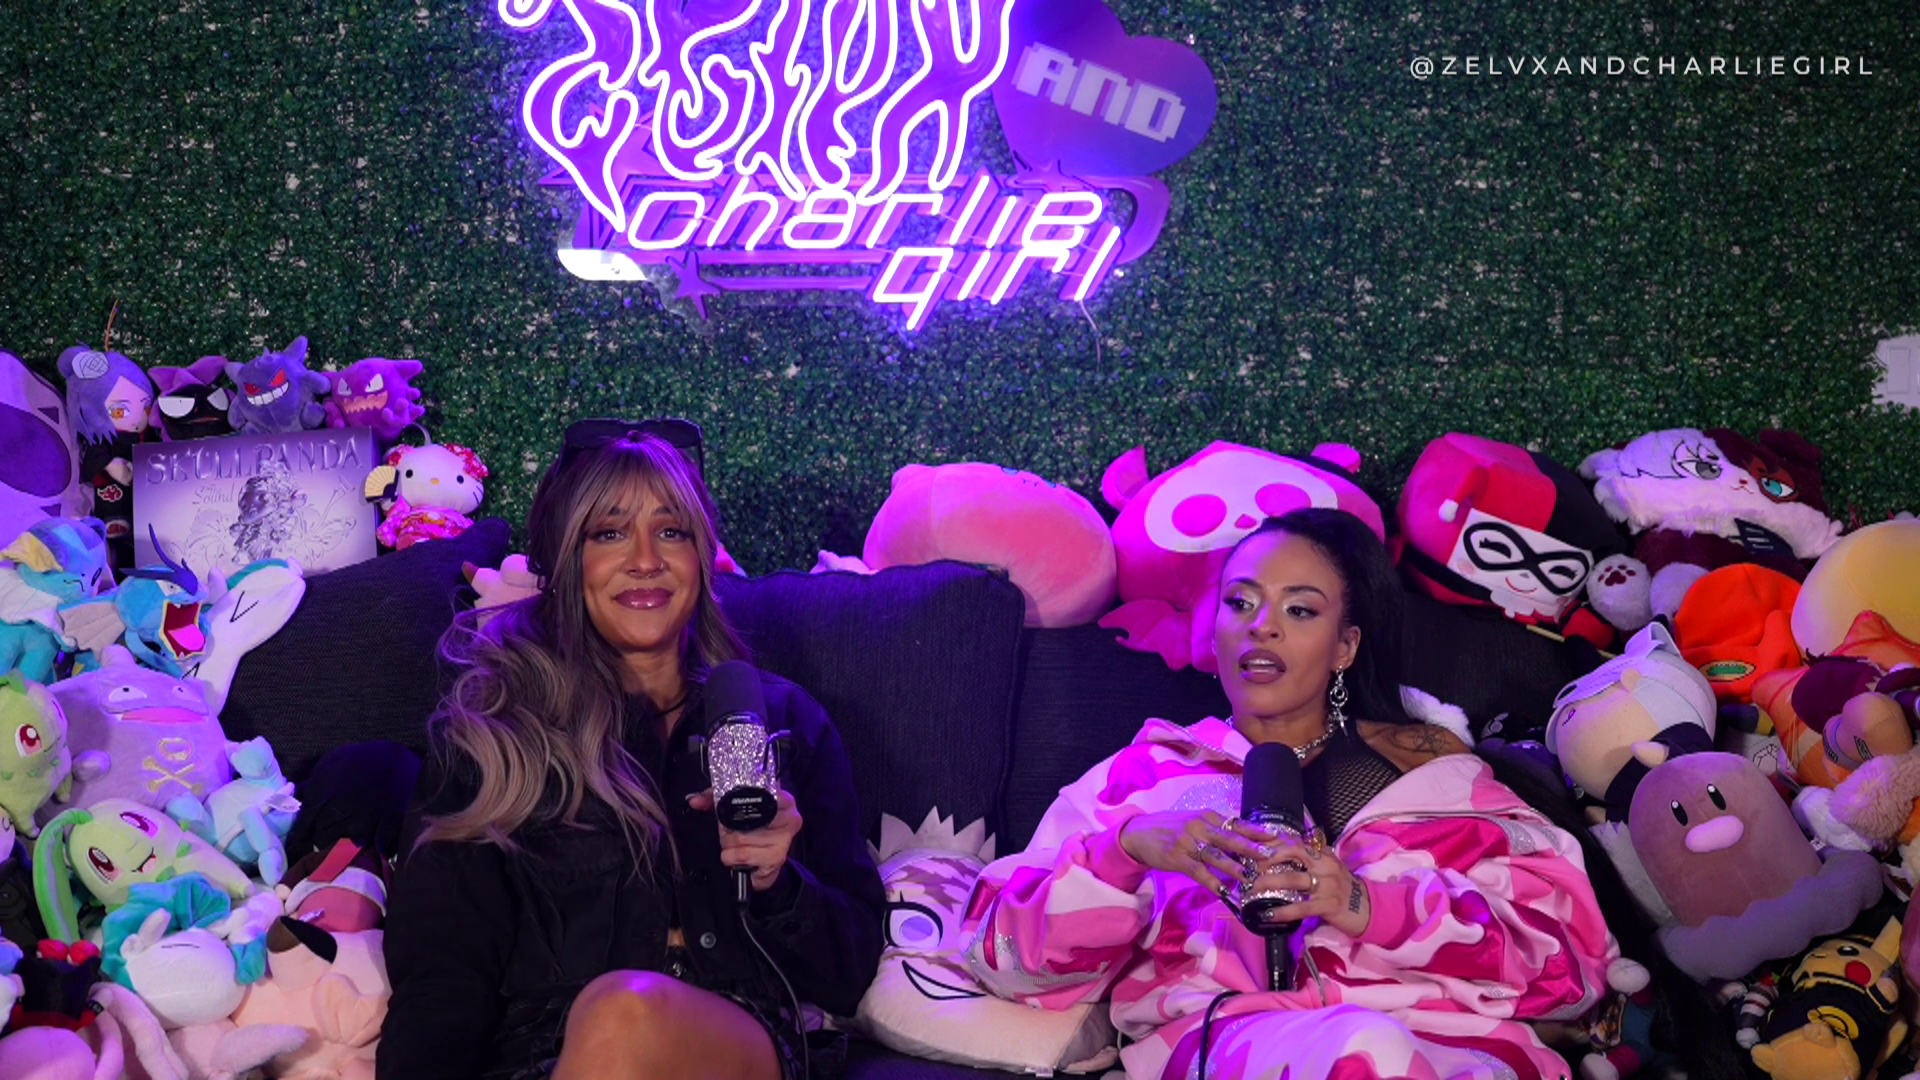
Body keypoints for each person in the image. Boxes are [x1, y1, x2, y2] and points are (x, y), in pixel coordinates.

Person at [962, 508, 1617, 1080]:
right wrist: (1123, 853)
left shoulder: (1431, 767)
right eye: (1240, 603)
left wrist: (1366, 904)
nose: (1261, 627)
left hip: (1459, 1050)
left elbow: (1573, 961)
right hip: (1241, 1050)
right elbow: (1004, 959)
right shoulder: (1144, 780)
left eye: (1299, 610)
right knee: (1365, 1049)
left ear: (1345, 646)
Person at [378, 422, 885, 1080]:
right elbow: (441, 972)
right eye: (609, 533)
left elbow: (850, 970)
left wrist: (776, 883)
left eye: (671, 531)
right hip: (542, 1055)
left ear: (701, 555)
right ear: (566, 560)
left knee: (625, 1014)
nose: (646, 559)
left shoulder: (786, 719)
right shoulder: (493, 730)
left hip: (735, 1040)